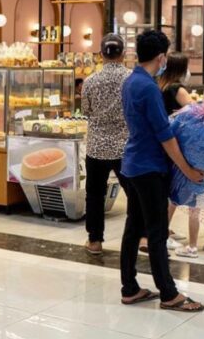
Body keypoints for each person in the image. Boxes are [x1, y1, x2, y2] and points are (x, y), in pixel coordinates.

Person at [119, 30, 204, 312]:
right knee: (157, 232)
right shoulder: (149, 88)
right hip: (149, 167)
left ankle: (130, 288)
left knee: (133, 228)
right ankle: (169, 293)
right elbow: (165, 136)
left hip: (132, 163)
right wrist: (187, 169)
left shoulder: (131, 81)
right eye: (165, 56)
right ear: (160, 57)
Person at [159, 53, 204, 258]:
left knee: (172, 194)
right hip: (184, 148)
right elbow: (196, 115)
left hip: (169, 143)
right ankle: (175, 237)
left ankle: (163, 231)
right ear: (181, 69)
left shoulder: (161, 87)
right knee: (184, 199)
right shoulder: (177, 89)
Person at [81, 34, 132, 255]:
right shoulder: (131, 79)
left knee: (94, 195)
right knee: (134, 194)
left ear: (101, 54)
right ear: (123, 54)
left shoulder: (90, 81)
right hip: (125, 146)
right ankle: (138, 237)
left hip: (97, 146)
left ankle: (95, 241)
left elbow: (86, 110)